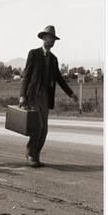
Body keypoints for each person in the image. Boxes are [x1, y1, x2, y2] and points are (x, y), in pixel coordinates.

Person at [19, 25, 79, 167]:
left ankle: (36, 155)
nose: (52, 41)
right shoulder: (33, 54)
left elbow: (59, 78)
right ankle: (30, 154)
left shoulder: (53, 59)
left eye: (54, 39)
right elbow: (26, 76)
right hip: (33, 96)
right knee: (37, 127)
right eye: (50, 38)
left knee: (44, 129)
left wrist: (71, 93)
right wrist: (22, 95)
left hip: (46, 98)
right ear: (44, 38)